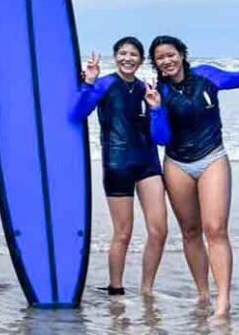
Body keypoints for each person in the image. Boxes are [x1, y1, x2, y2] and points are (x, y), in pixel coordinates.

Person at [149, 35, 238, 320]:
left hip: (212, 157)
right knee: (190, 231)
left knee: (215, 229)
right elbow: (161, 138)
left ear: (182, 54)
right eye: (161, 57)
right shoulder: (158, 90)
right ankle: (203, 294)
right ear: (156, 63)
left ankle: (223, 302)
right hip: (177, 164)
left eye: (171, 54)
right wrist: (155, 109)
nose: (167, 60)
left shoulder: (206, 76)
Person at [72, 37, 168, 296]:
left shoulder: (145, 88)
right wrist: (88, 83)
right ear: (115, 57)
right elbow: (77, 114)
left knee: (159, 230)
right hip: (117, 165)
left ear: (140, 59)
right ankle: (116, 287)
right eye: (123, 53)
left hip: (148, 164)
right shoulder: (104, 85)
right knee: (123, 233)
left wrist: (156, 108)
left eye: (133, 54)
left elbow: (161, 138)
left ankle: (147, 289)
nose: (128, 58)